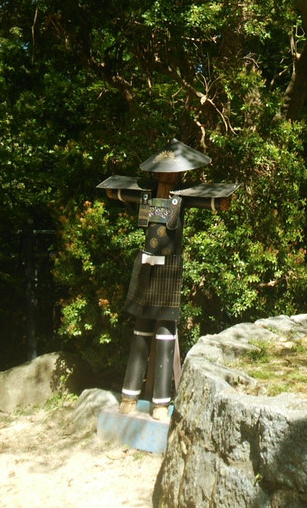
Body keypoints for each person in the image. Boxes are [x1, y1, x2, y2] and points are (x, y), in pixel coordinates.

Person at [97, 139, 235, 421]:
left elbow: (214, 199)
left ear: (181, 173)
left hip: (169, 267)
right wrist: (113, 192)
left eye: (172, 173)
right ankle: (129, 398)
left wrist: (221, 202)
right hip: (146, 265)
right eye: (163, 172)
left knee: (164, 333)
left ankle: (161, 403)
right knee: (140, 329)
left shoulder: (182, 196)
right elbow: (118, 190)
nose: (167, 177)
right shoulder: (146, 194)